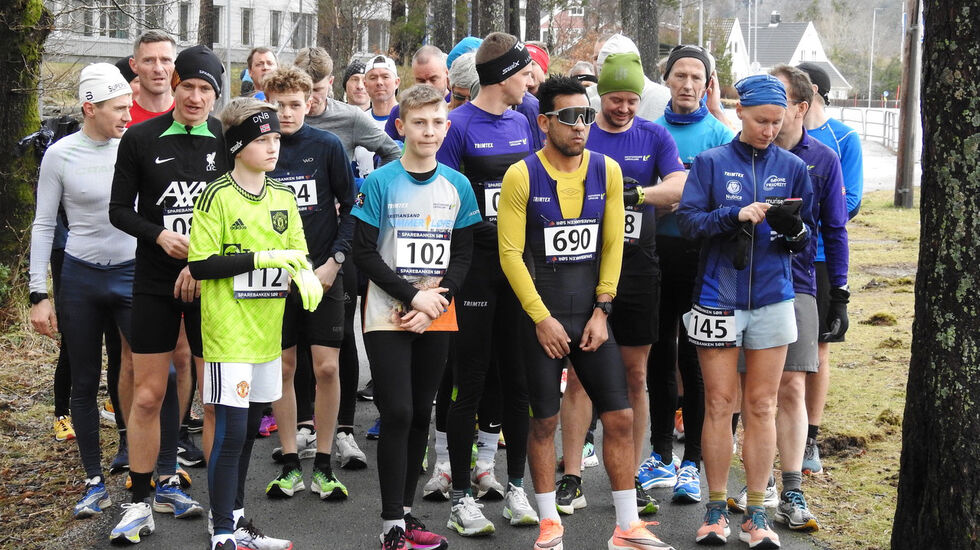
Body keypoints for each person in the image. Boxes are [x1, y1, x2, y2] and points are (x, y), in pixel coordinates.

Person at [498, 75, 674, 550]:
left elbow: (613, 244)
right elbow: (510, 255)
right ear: (544, 122)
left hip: (591, 316)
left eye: (586, 116)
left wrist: (603, 309)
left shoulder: (606, 170)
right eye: (570, 116)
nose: (581, 126)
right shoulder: (521, 175)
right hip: (541, 318)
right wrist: (541, 318)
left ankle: (626, 526)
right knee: (543, 422)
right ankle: (549, 525)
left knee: (619, 417)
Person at [676, 74, 815, 549]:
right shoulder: (711, 163)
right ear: (740, 112)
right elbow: (688, 222)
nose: (769, 130)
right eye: (760, 121)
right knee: (719, 404)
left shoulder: (793, 167)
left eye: (777, 122)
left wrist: (794, 233)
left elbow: (807, 237)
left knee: (762, 405)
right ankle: (715, 509)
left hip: (774, 296)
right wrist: (732, 216)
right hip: (720, 293)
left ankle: (757, 513)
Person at [351, 83, 480, 550]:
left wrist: (435, 303)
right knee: (399, 411)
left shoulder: (458, 185)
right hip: (388, 314)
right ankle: (390, 525)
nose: (429, 131)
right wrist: (412, 297)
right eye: (419, 123)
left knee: (422, 413)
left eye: (437, 122)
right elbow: (364, 252)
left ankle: (404, 516)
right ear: (401, 126)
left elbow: (462, 255)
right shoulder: (380, 182)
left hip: (435, 315)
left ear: (446, 127)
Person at [188, 97, 318, 550]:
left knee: (247, 432)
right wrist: (261, 257)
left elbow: (298, 252)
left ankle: (237, 520)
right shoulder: (216, 195)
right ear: (238, 146)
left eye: (277, 138)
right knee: (230, 431)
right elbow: (201, 264)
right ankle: (222, 530)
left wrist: (304, 275)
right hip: (228, 334)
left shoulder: (283, 196)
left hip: (267, 332)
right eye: (263, 140)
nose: (273, 147)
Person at [560, 51, 686, 516]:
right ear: (600, 97)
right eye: (616, 99)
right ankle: (572, 475)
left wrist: (636, 194)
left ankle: (629, 477)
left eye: (632, 100)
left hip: (637, 268)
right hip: (585, 267)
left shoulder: (653, 135)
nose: (624, 108)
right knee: (579, 374)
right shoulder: (583, 133)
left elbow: (680, 185)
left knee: (636, 375)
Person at [107, 44, 224, 544]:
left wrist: (201, 263)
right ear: (175, 86)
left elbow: (243, 212)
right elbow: (118, 210)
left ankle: (224, 509)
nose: (195, 97)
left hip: (211, 284)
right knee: (149, 394)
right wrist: (157, 235)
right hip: (155, 281)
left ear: (216, 95)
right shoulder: (140, 137)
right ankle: (140, 500)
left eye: (206, 89)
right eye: (188, 87)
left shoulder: (227, 138)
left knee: (214, 399)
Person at [727, 64, 847, 534]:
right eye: (762, 109)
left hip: (797, 283)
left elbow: (834, 228)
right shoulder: (737, 153)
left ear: (799, 106)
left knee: (793, 385)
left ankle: (792, 488)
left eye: (779, 103)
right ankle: (761, 484)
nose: (770, 118)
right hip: (742, 285)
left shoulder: (821, 159)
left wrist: (840, 292)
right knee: (752, 394)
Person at [436, 32, 539, 537]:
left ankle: (515, 486)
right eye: (524, 73)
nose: (531, 81)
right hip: (474, 269)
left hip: (517, 268)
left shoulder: (522, 122)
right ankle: (460, 498)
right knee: (470, 381)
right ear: (502, 75)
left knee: (517, 380)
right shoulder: (457, 126)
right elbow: (446, 201)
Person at [29, 63, 135, 520]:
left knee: (137, 371)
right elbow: (44, 224)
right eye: (119, 108)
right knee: (85, 378)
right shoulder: (60, 155)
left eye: (129, 106)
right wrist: (38, 293)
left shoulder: (133, 146)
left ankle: (139, 459)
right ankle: (93, 481)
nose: (128, 115)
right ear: (90, 108)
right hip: (81, 277)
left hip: (131, 272)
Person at [291, 48, 399, 468]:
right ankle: (304, 423)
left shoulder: (349, 118)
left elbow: (393, 152)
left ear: (330, 85)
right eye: (305, 90)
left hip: (339, 240)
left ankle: (345, 430)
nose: (311, 100)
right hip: (291, 242)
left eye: (318, 91)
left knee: (340, 335)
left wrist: (362, 193)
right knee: (298, 338)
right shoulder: (281, 116)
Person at [259, 66, 357, 500]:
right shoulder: (257, 148)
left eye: (294, 104)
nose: (286, 113)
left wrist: (335, 262)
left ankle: (323, 464)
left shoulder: (326, 145)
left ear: (310, 103)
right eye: (277, 105)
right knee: (283, 366)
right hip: (275, 276)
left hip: (322, 273)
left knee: (327, 367)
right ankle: (289, 463)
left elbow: (352, 207)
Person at [649, 43, 736, 505]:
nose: (687, 84)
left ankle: (693, 463)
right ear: (666, 79)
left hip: (705, 260)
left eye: (696, 77)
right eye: (679, 75)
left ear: (708, 85)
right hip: (655, 254)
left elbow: (729, 198)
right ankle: (661, 452)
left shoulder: (721, 135)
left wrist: (681, 198)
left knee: (697, 359)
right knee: (659, 353)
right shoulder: (650, 130)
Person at [795, 61, 861, 475]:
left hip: (818, 257)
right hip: (775, 256)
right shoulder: (775, 133)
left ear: (811, 93)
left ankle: (810, 440)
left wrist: (805, 217)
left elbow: (850, 200)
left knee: (818, 349)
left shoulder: (842, 139)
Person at [384, 45, 451, 141]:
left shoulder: (458, 107)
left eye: (433, 79)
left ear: (446, 74)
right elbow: (384, 148)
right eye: (421, 81)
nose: (427, 86)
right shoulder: (400, 111)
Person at [127, 31, 176, 126]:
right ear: (134, 65)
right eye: (148, 61)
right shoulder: (121, 121)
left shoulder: (191, 117)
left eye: (165, 60)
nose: (158, 69)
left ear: (175, 64)